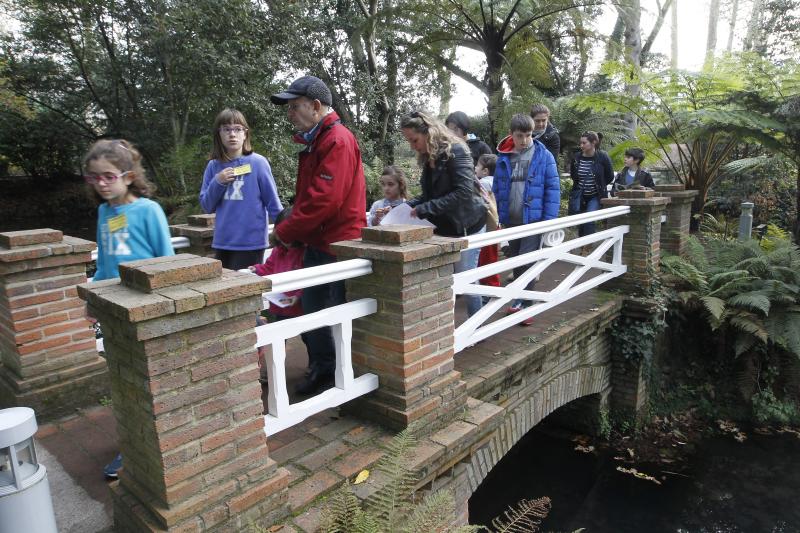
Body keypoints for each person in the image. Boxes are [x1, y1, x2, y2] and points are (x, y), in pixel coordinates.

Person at [83, 139, 174, 479]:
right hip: (115, 310)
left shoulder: (149, 211)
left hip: (147, 309)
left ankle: (164, 443)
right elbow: (105, 264)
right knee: (126, 380)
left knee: (153, 379)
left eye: (109, 176)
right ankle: (135, 446)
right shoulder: (104, 213)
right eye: (94, 177)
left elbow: (167, 262)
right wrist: (92, 301)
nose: (102, 184)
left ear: (129, 176)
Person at [270, 75, 366, 395]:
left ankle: (337, 373)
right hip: (320, 241)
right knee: (313, 309)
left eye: (294, 106)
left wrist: (285, 231)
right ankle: (325, 368)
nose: (289, 114)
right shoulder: (320, 140)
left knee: (332, 312)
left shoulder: (336, 140)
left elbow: (324, 199)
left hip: (337, 244)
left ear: (315, 106)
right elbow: (312, 197)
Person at [400, 110, 487, 317]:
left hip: (467, 226)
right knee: (448, 280)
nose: (412, 146)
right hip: (446, 228)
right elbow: (429, 195)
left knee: (466, 279)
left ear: (428, 132)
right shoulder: (429, 156)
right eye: (409, 141)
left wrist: (425, 209)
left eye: (414, 140)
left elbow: (463, 192)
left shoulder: (456, 150)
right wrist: (404, 207)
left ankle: (476, 326)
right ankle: (446, 330)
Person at [492, 114, 560, 326]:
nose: (524, 140)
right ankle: (520, 301)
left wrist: (548, 221)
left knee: (527, 261)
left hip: (533, 220)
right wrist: (498, 215)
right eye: (520, 135)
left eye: (528, 135)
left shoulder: (544, 155)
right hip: (511, 219)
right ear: (511, 134)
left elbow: (553, 189)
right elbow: (497, 188)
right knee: (516, 260)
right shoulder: (504, 156)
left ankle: (524, 304)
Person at [199, 108, 283, 270]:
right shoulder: (213, 166)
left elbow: (273, 203)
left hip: (251, 243)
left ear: (245, 134)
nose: (232, 134)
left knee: (247, 284)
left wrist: (284, 233)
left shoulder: (258, 163)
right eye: (226, 129)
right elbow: (206, 206)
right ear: (219, 134)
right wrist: (218, 181)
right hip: (223, 242)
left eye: (237, 129)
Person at [249, 207, 310, 382]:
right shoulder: (278, 250)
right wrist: (256, 269)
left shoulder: (305, 252)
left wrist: (298, 296)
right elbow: (268, 268)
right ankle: (274, 371)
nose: (286, 239)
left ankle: (315, 366)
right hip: (281, 306)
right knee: (278, 339)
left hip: (300, 306)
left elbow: (309, 278)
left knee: (310, 338)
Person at [569, 131, 614, 237]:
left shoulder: (602, 156)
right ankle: (581, 242)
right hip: (580, 195)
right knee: (581, 221)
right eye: (580, 143)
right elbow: (574, 176)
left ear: (593, 143)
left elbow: (610, 175)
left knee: (589, 219)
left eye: (584, 143)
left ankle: (588, 245)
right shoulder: (577, 157)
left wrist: (600, 184)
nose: (581, 145)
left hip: (595, 195)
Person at [475, 154, 501, 290]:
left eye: (477, 165)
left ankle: (491, 286)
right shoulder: (497, 181)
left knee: (486, 257)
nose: (475, 168)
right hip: (496, 224)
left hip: (488, 225)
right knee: (492, 256)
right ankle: (490, 284)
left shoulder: (484, 183)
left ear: (485, 171)